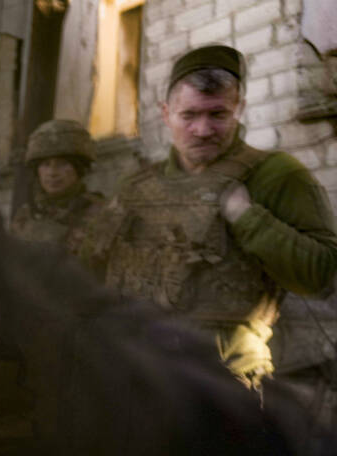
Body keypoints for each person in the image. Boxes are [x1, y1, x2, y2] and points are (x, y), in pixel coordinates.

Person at [80, 44, 337, 390]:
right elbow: (87, 272)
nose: (203, 130)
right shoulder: (135, 187)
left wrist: (247, 217)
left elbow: (321, 276)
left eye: (217, 114)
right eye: (189, 115)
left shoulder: (276, 175)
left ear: (239, 109)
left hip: (222, 387)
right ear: (166, 112)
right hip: (134, 377)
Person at [10, 119, 104, 254]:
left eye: (62, 164)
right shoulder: (25, 216)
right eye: (46, 164)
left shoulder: (100, 213)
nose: (52, 173)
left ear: (79, 169)